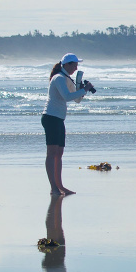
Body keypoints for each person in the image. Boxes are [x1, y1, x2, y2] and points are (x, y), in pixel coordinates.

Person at [42, 53, 87, 195]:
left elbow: (77, 100)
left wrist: (82, 90)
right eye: (74, 64)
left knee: (59, 153)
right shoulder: (59, 78)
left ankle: (60, 186)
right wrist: (83, 90)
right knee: (52, 153)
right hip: (51, 117)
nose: (76, 67)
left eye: (77, 65)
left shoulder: (67, 79)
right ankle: (53, 188)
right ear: (66, 64)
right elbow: (67, 97)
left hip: (59, 118)